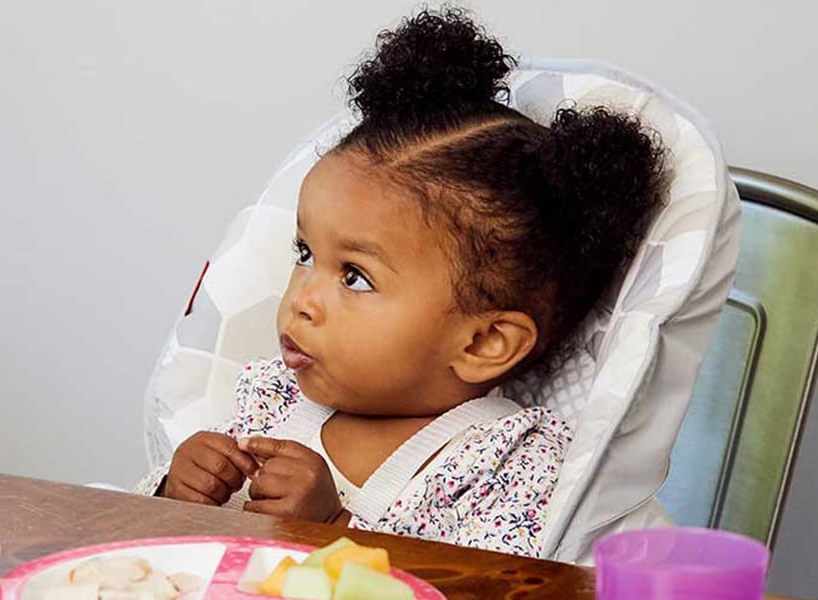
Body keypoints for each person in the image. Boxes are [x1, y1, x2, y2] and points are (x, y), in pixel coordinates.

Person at [135, 7, 669, 558]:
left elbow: (483, 589)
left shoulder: (506, 463)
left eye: (355, 277)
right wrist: (175, 495)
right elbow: (168, 564)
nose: (301, 300)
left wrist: (336, 528)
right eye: (304, 253)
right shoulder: (269, 398)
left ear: (483, 343)